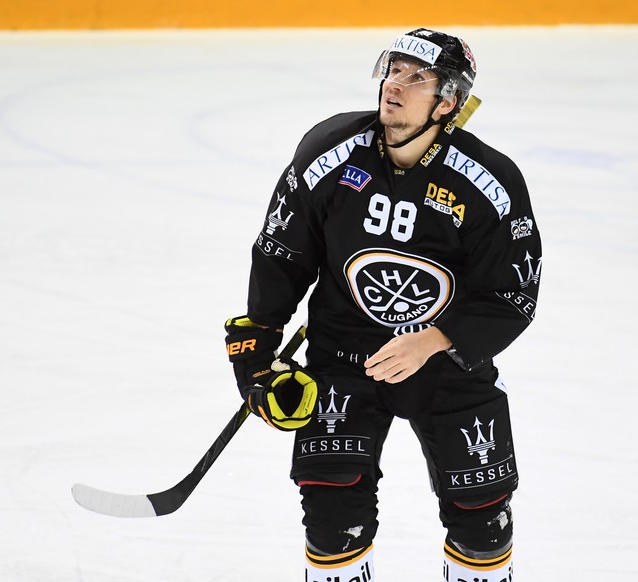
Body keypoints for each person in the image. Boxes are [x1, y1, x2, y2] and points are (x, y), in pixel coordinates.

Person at [224, 28, 540, 582]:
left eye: (416, 78)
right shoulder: (326, 154)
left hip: (447, 367)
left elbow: (512, 294)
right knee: (331, 520)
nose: (395, 85)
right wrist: (255, 361)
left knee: (483, 526)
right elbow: (280, 257)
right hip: (342, 358)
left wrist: (436, 337)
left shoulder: (490, 182)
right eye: (392, 70)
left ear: (447, 102)